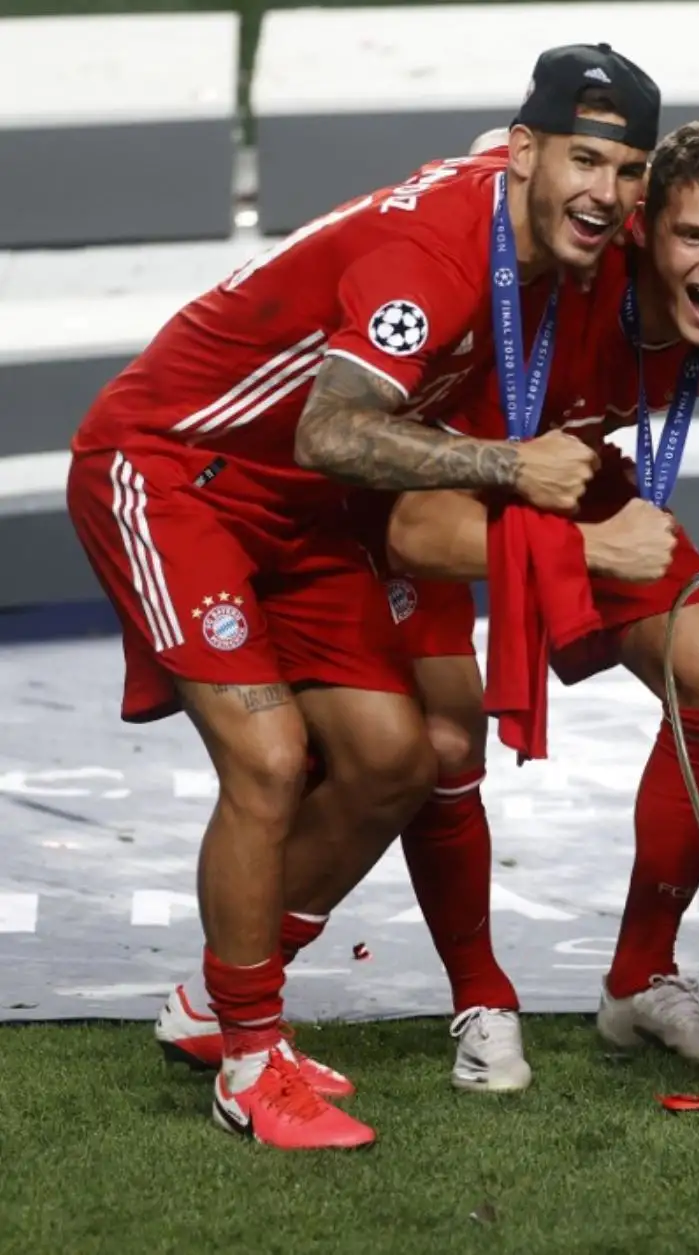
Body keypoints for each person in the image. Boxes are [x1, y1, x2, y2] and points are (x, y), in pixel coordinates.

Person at [68, 41, 656, 1149]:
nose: (609, 194)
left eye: (627, 171)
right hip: (173, 469)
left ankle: (214, 1002)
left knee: (399, 756)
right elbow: (328, 427)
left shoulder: (529, 226)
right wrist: (508, 466)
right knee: (273, 759)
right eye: (587, 161)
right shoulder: (431, 255)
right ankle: (249, 1059)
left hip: (305, 509)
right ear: (524, 150)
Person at [378, 119, 699, 1064]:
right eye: (694, 238)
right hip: (433, 472)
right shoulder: (562, 274)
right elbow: (414, 523)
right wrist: (591, 548)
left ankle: (638, 977)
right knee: (441, 738)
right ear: (644, 230)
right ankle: (479, 995)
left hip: (564, 470)